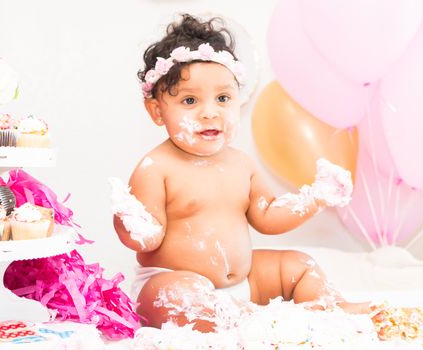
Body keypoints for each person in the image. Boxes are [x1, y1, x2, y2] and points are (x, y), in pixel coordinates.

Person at [111, 14, 370, 332]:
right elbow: (148, 239)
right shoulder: (156, 168)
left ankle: (329, 307)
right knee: (178, 296)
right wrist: (132, 224)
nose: (210, 112)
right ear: (156, 111)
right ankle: (240, 323)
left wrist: (313, 198)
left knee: (298, 265)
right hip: (174, 282)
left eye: (223, 98)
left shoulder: (240, 164)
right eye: (190, 100)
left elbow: (267, 216)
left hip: (246, 284)